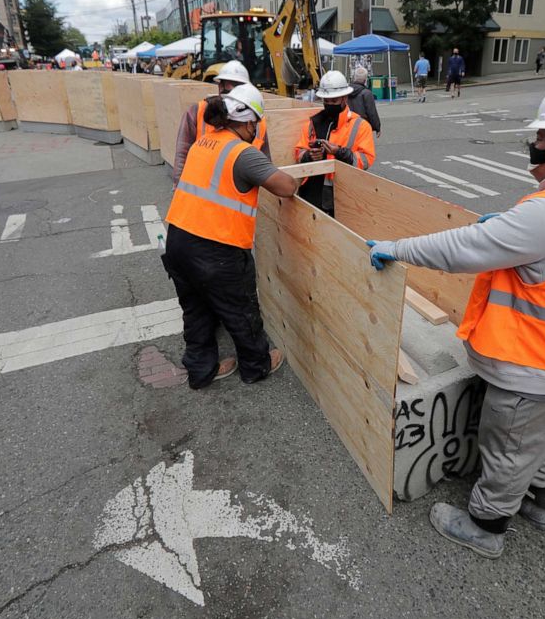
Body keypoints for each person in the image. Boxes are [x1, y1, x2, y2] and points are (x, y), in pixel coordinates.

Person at [367, 79, 545, 559]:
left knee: (508, 445)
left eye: (539, 141)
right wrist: (508, 231)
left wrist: (395, 248)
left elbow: (459, 249)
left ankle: (486, 526)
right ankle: (541, 504)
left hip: (533, 361)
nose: (532, 147)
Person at [163, 85, 298, 389]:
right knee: (240, 310)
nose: (256, 130)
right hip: (216, 251)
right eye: (256, 124)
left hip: (178, 243)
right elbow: (286, 187)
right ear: (249, 122)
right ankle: (256, 366)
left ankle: (201, 370)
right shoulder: (241, 153)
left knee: (196, 311)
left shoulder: (205, 141)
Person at [294, 70, 376, 216]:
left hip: (341, 197)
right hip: (311, 193)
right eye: (326, 101)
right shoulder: (313, 122)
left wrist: (339, 152)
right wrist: (309, 155)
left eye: (334, 101)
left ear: (344, 98)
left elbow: (365, 160)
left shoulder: (360, 125)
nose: (329, 104)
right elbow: (299, 151)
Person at [172, 60, 270, 183]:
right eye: (223, 84)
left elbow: (265, 160)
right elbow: (182, 153)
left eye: (233, 84)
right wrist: (178, 186)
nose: (226, 88)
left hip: (239, 189)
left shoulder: (257, 119)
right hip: (201, 184)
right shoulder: (199, 110)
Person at [347, 66, 381, 135]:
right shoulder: (367, 93)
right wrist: (377, 128)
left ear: (354, 77)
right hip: (362, 125)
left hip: (347, 124)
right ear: (365, 80)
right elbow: (372, 112)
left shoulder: (346, 91)